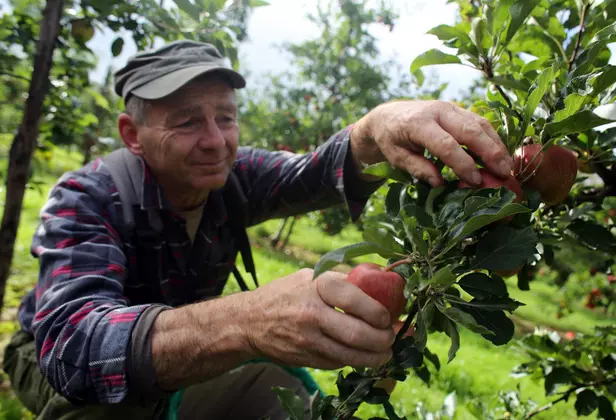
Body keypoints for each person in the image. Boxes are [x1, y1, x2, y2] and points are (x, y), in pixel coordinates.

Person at [2, 40, 513, 419]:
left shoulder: (233, 178)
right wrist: (243, 322)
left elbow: (314, 171)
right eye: (186, 122)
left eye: (225, 117)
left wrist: (379, 124)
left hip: (178, 349)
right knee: (111, 406)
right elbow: (72, 350)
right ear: (132, 135)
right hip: (40, 358)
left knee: (289, 401)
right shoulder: (88, 196)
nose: (215, 140)